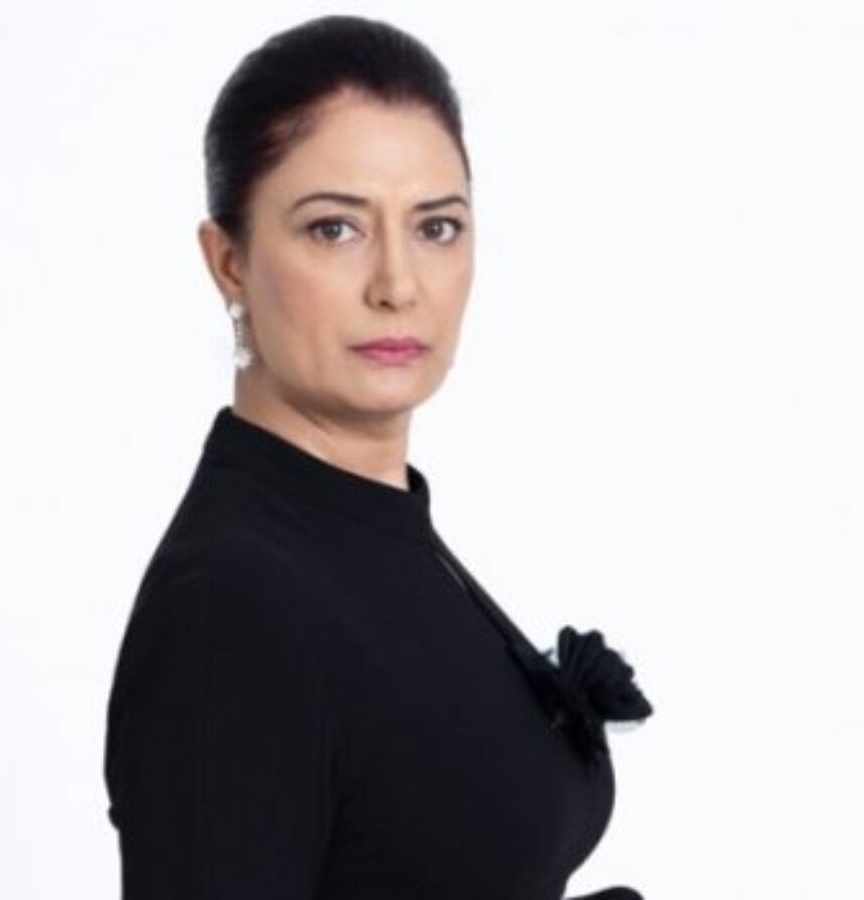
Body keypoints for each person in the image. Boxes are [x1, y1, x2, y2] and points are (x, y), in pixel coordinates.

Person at [102, 14, 653, 900]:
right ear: (229, 262)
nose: (397, 284)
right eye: (335, 229)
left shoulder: (376, 531)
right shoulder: (233, 603)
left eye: (437, 228)